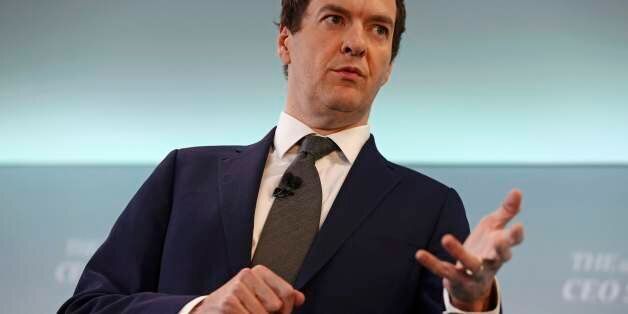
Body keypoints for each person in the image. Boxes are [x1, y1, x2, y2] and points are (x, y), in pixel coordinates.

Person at [59, 0, 524, 313]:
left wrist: (471, 303)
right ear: (285, 40)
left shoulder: (430, 208)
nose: (357, 43)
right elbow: (84, 307)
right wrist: (198, 309)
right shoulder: (185, 174)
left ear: (389, 67)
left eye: (378, 29)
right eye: (334, 18)